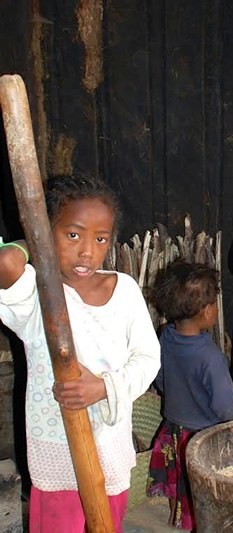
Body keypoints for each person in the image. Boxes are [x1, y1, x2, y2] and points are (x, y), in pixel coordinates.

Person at [0, 175, 160, 533]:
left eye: (100, 238)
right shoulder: (36, 294)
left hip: (110, 449)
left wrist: (104, 387)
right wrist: (36, 241)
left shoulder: (124, 290)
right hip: (58, 456)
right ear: (47, 232)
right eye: (73, 235)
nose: (87, 251)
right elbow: (6, 263)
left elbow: (148, 358)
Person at [146, 260, 233, 531]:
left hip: (173, 430)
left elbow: (160, 377)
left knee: (180, 484)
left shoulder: (166, 336)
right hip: (203, 438)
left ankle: (177, 517)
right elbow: (224, 406)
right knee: (202, 492)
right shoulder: (210, 358)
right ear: (206, 311)